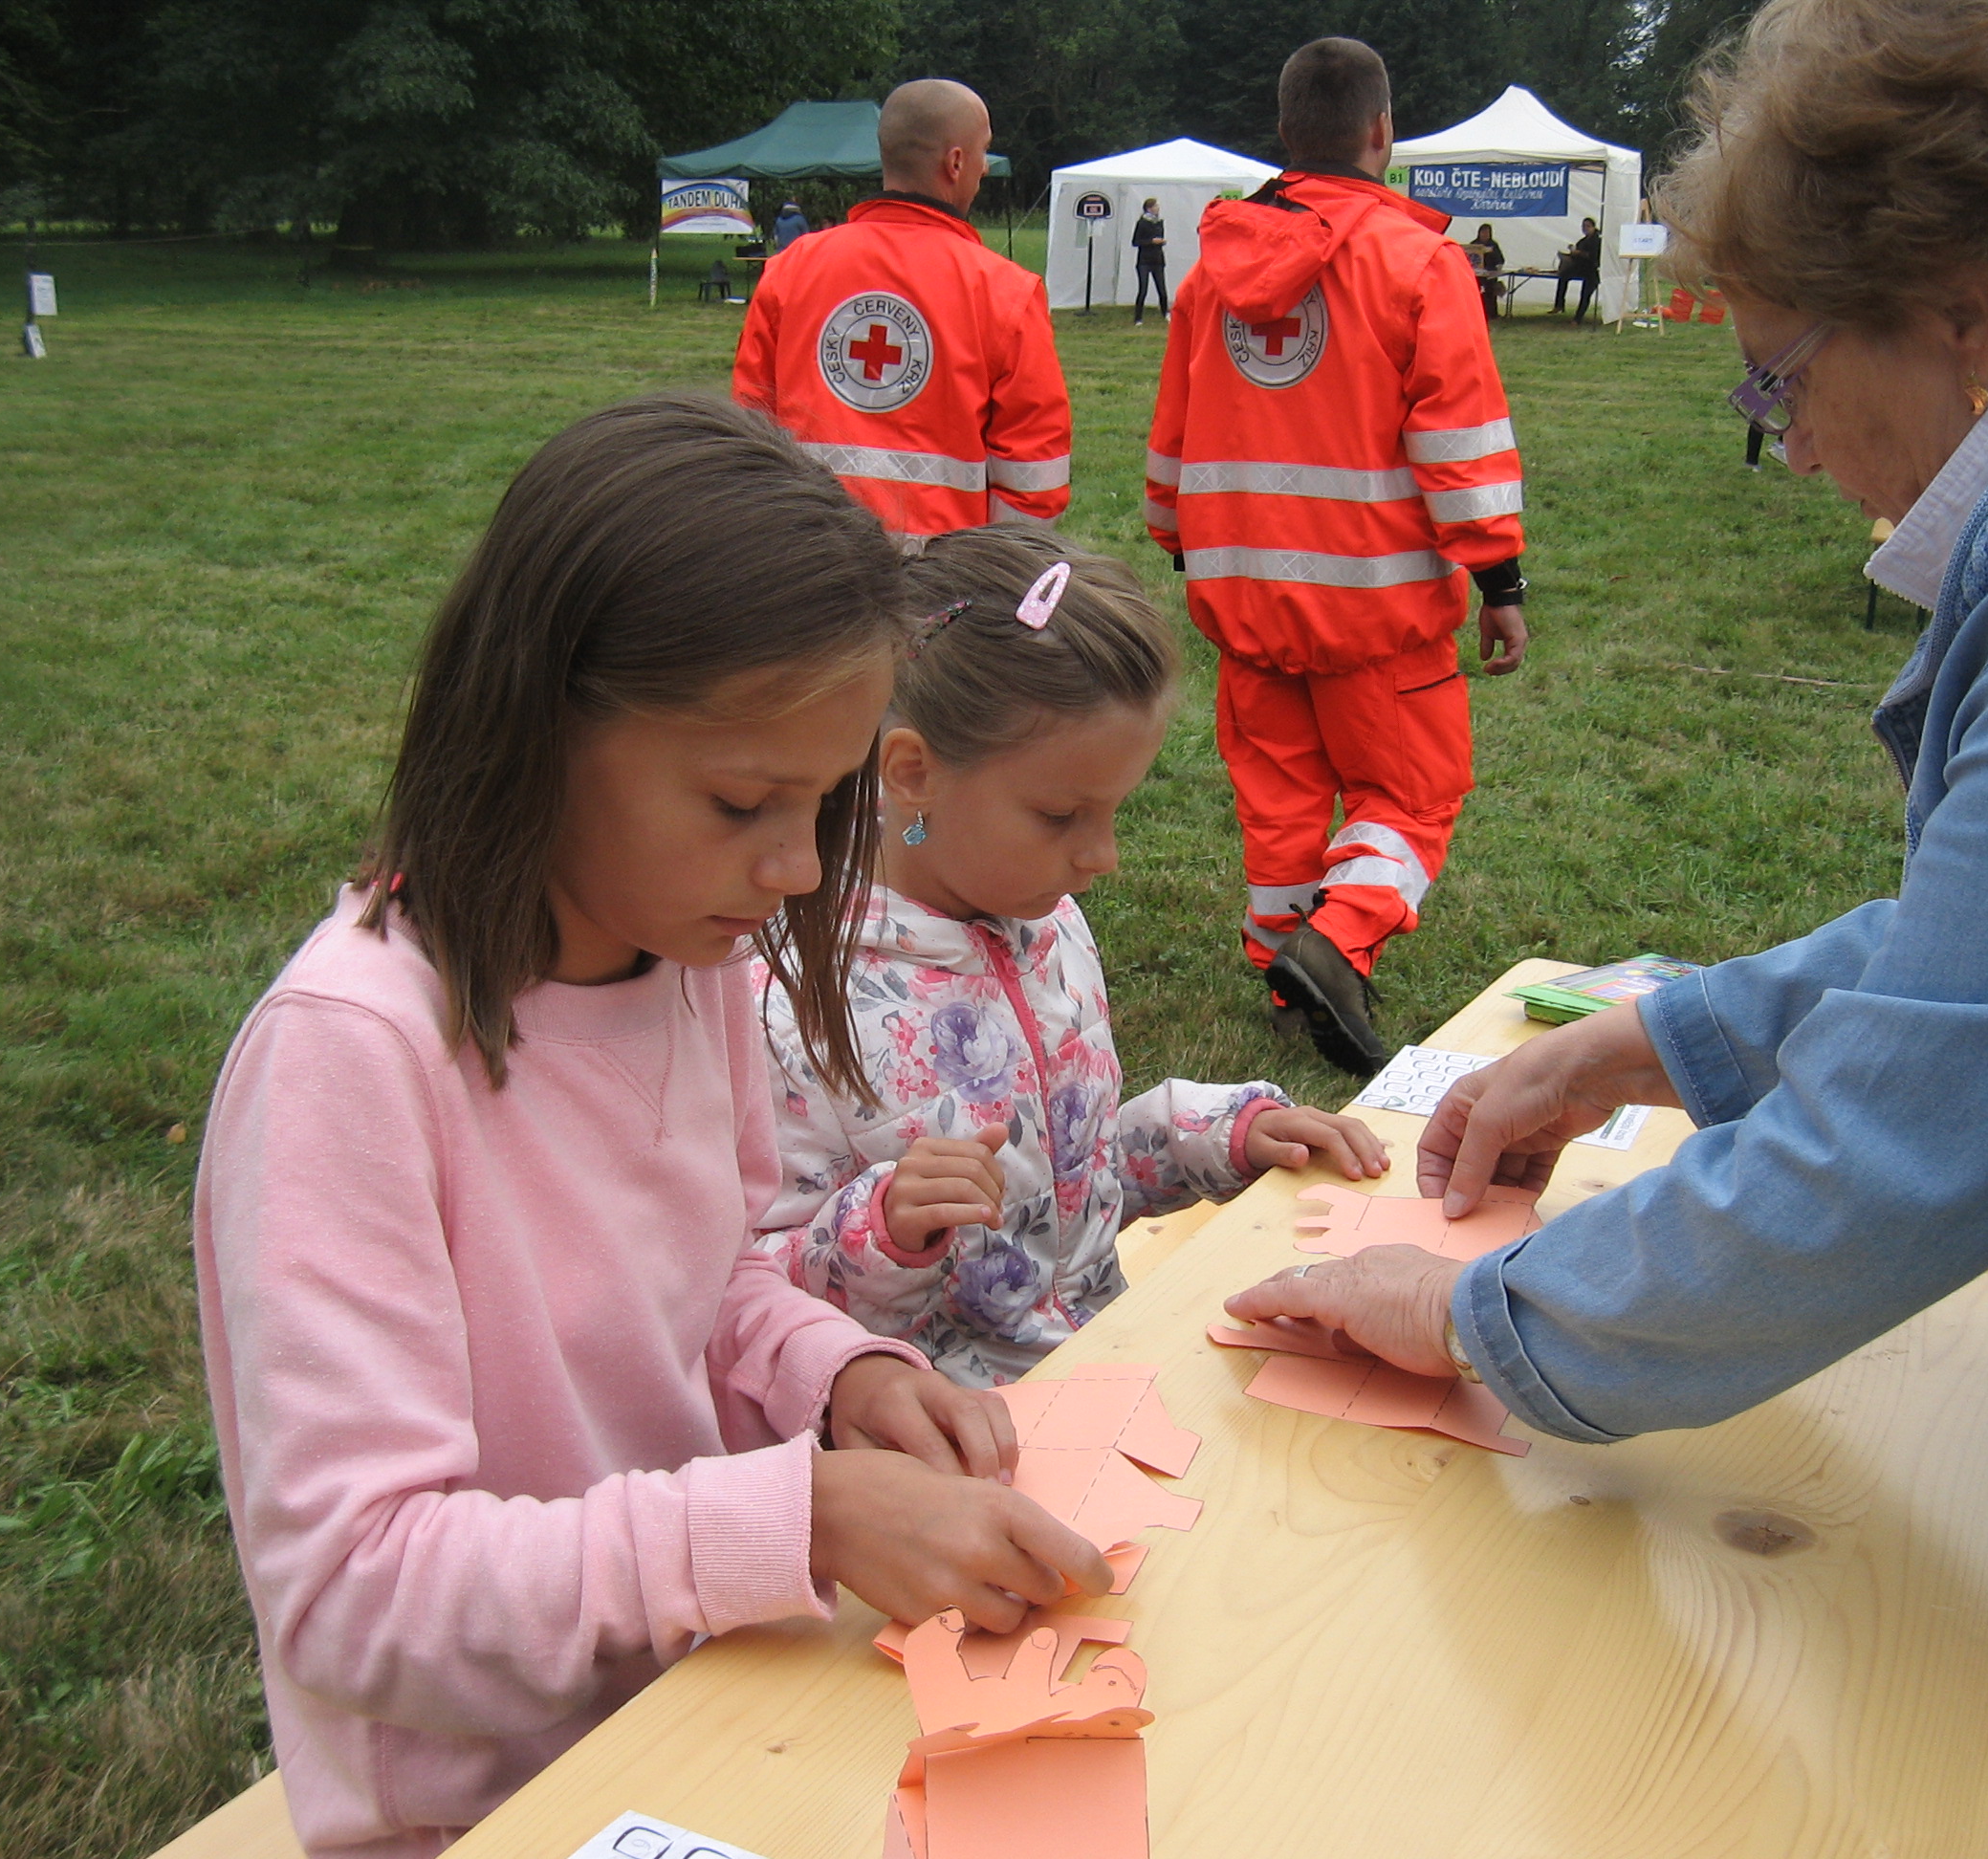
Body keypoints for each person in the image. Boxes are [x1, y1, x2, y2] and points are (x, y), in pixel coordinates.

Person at [1222, 0, 1988, 1851]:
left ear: (1965, 317)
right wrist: (1664, 1036)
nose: (1778, 447)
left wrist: (1471, 1311)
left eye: (1778, 378)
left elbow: (1884, 1159)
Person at [193, 395, 1113, 1859]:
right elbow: (354, 1592)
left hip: (718, 1698)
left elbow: (716, 1281)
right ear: (537, 725)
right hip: (493, 1808)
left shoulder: (689, 954)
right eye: (745, 798)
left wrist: (837, 1376)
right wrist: (797, 1520)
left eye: (822, 803)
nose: (797, 865)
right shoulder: (350, 1061)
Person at [754, 530, 1389, 1385]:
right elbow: (752, 1295)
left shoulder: (1045, 927)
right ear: (913, 774)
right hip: (942, 1442)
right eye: (1063, 816)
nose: (1103, 857)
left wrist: (1207, 1137)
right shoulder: (793, 1002)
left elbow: (1067, 1183)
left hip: (1103, 1372)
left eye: (1114, 812)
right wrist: (885, 1229)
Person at [1146, 37, 1532, 1077]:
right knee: (1411, 799)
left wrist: (1182, 541)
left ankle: (1283, 967)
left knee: (1278, 800)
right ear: (1381, 133)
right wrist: (1499, 577)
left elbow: (1173, 434)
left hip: (1243, 597)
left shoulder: (1213, 271)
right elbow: (1460, 439)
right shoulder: (1419, 264)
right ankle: (1338, 940)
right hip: (1376, 607)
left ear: (1285, 136)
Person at [733, 79, 1071, 543]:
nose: (985, 170)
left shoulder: (789, 270)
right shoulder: (1007, 293)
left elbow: (748, 433)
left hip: (806, 566)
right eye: (983, 153)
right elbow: (1034, 477)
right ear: (955, 162)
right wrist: (993, 578)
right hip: (944, 585)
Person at [1551, 216, 1601, 319]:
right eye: (1583, 226)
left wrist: (1579, 253)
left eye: (1587, 226)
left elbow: (1594, 256)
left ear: (1593, 227)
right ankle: (1559, 305)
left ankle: (1577, 318)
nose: (1585, 228)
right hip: (1580, 267)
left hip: (1592, 269)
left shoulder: (1597, 240)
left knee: (1585, 293)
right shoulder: (1582, 241)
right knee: (1563, 276)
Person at [1131, 197, 1170, 324]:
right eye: (1155, 206)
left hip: (1158, 259)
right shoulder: (1142, 222)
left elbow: (1160, 237)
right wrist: (1151, 241)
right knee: (1143, 289)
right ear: (1149, 209)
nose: (1158, 208)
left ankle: (1165, 313)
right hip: (1144, 261)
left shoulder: (1159, 222)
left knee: (1162, 289)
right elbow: (1136, 242)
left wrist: (1161, 242)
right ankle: (1138, 318)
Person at [1464, 222, 1506, 319]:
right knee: (1475, 293)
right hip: (1477, 274)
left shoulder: (1493, 245)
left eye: (1487, 233)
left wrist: (1491, 253)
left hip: (1490, 274)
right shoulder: (1473, 244)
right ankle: (1476, 313)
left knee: (1491, 292)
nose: (1485, 235)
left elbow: (1500, 260)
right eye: (1483, 232)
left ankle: (1492, 314)